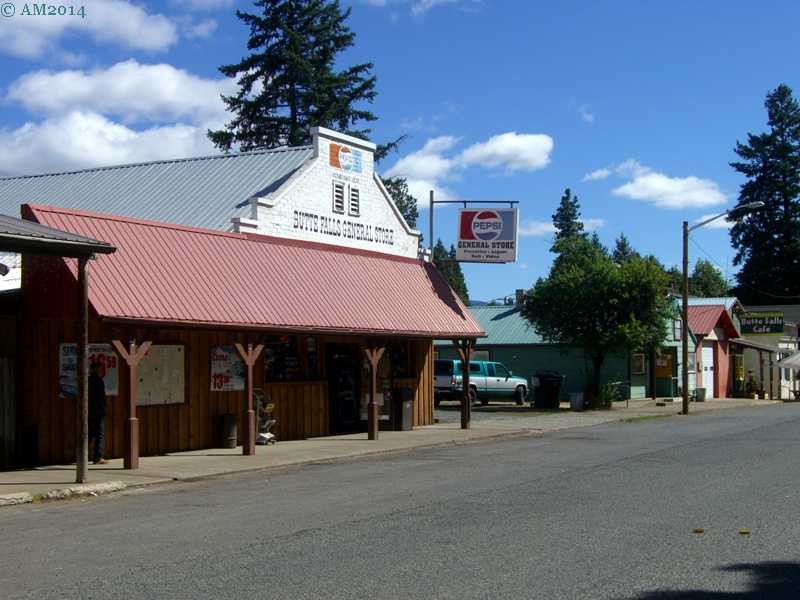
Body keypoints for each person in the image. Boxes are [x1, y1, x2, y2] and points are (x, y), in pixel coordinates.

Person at [88, 362, 107, 465]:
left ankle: (82, 455)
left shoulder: (87, 381)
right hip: (98, 412)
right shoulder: (99, 381)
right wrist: (104, 409)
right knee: (99, 435)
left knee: (89, 434)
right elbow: (101, 398)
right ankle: (97, 457)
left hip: (88, 412)